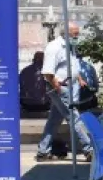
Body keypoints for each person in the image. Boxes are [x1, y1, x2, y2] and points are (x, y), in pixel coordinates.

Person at [37, 23, 93, 162]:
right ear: (66, 33)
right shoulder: (54, 47)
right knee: (74, 118)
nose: (77, 36)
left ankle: (43, 151)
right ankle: (89, 149)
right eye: (75, 34)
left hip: (70, 86)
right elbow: (48, 72)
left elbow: (72, 65)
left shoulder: (69, 46)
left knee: (54, 120)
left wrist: (79, 78)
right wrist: (58, 87)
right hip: (61, 88)